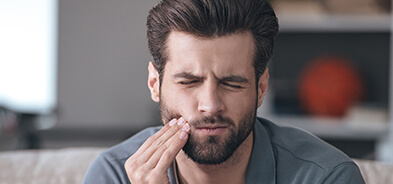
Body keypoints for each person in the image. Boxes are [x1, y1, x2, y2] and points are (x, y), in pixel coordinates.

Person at [83, 0, 365, 183]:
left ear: (261, 87)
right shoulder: (113, 175)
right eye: (189, 82)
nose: (210, 105)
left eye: (232, 83)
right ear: (155, 84)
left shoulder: (326, 177)